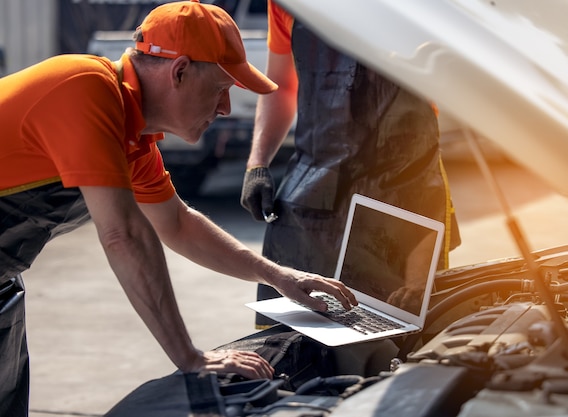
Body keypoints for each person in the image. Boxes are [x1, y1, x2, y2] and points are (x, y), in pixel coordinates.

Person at [0, 1, 357, 415]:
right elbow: (123, 234)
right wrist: (191, 358)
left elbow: (177, 223)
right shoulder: (84, 88)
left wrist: (279, 276)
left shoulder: (132, 134)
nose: (225, 109)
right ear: (180, 71)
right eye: (221, 90)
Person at [241, 1, 461, 328]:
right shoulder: (285, 4)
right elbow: (281, 84)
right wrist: (257, 164)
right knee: (295, 342)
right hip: (314, 191)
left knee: (402, 337)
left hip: (405, 184)